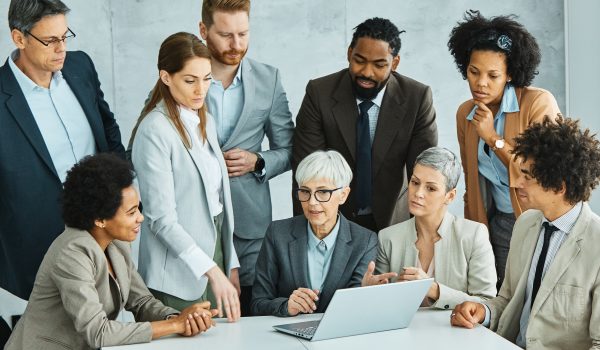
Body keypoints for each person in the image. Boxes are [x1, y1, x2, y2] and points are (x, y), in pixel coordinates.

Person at [5, 154, 219, 350]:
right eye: (131, 212)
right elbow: (97, 333)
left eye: (139, 209)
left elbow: (142, 302)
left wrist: (183, 319)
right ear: (99, 219)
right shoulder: (72, 253)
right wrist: (174, 325)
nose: (140, 218)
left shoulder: (116, 244)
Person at [0, 0, 125, 301]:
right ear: (19, 38)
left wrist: (123, 190)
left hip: (102, 235)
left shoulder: (81, 66)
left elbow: (108, 129)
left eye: (65, 36)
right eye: (51, 40)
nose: (62, 49)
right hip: (32, 253)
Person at [451, 116, 600, 350]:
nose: (516, 182)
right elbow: (508, 300)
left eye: (527, 177)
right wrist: (485, 311)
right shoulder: (525, 224)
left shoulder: (597, 244)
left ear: (559, 187)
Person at [131, 32, 240, 322]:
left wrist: (229, 264)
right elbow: (160, 220)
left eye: (206, 78)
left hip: (215, 258)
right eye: (190, 80)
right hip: (176, 275)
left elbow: (218, 203)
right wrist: (212, 270)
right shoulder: (155, 130)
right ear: (166, 77)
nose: (201, 89)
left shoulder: (205, 119)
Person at [448, 10, 561, 287]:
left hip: (538, 221)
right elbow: (472, 184)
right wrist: (472, 234)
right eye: (473, 72)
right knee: (499, 303)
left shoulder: (538, 103)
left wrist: (493, 138)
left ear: (510, 75)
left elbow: (541, 173)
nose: (480, 83)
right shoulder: (466, 113)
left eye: (492, 75)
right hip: (497, 226)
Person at [293, 17, 437, 233]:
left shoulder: (417, 98)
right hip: (331, 221)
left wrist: (424, 235)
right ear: (349, 53)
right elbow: (306, 171)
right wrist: (304, 234)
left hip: (393, 224)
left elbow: (427, 173)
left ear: (395, 63)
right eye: (360, 60)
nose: (367, 73)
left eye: (379, 65)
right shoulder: (319, 93)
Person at [199, 0, 294, 315]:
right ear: (203, 31)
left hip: (251, 225)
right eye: (226, 35)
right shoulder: (181, 75)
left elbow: (289, 148)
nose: (236, 45)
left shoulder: (269, 78)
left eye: (243, 33)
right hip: (196, 222)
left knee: (251, 318)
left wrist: (259, 161)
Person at [362, 147, 497, 309]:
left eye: (431, 188)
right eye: (415, 182)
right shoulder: (387, 237)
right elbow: (379, 306)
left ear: (450, 196)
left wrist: (432, 289)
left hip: (456, 332)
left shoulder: (474, 235)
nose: (418, 193)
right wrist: (368, 292)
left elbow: (487, 304)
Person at [251, 150, 377, 316]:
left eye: (323, 192)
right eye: (305, 191)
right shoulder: (277, 234)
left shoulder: (365, 241)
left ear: (343, 195)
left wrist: (365, 295)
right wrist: (286, 306)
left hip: (338, 337)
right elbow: (257, 304)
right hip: (287, 337)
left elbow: (353, 307)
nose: (312, 202)